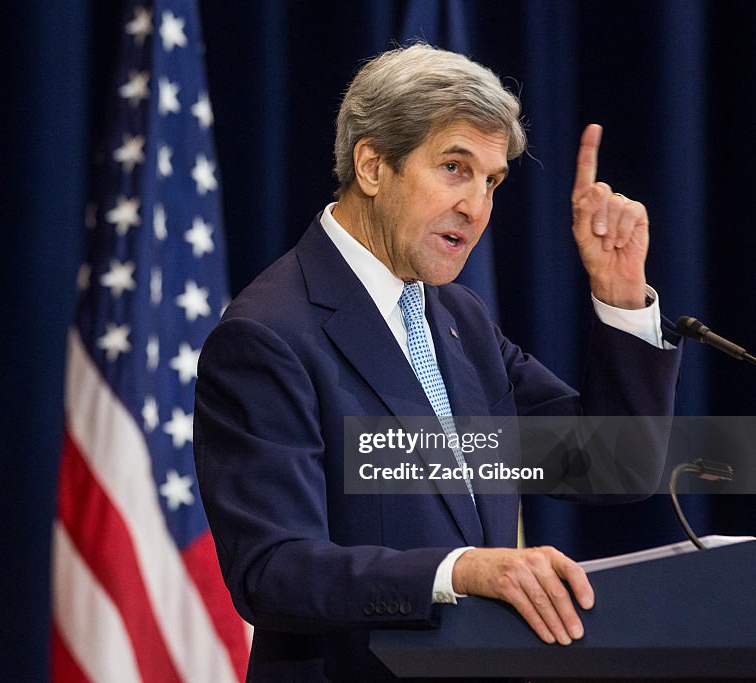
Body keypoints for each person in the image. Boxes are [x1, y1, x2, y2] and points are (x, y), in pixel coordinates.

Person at [194, 43, 682, 681]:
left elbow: (613, 466)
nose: (477, 208)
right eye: (455, 167)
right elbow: (274, 569)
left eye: (491, 181)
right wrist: (456, 571)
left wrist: (620, 297)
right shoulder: (269, 336)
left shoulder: (460, 320)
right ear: (372, 165)